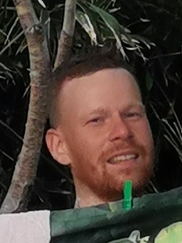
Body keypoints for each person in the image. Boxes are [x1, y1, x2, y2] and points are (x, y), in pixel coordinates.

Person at [42, 47, 157, 207]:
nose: (123, 131)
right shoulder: (40, 225)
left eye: (132, 114)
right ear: (59, 146)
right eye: (96, 120)